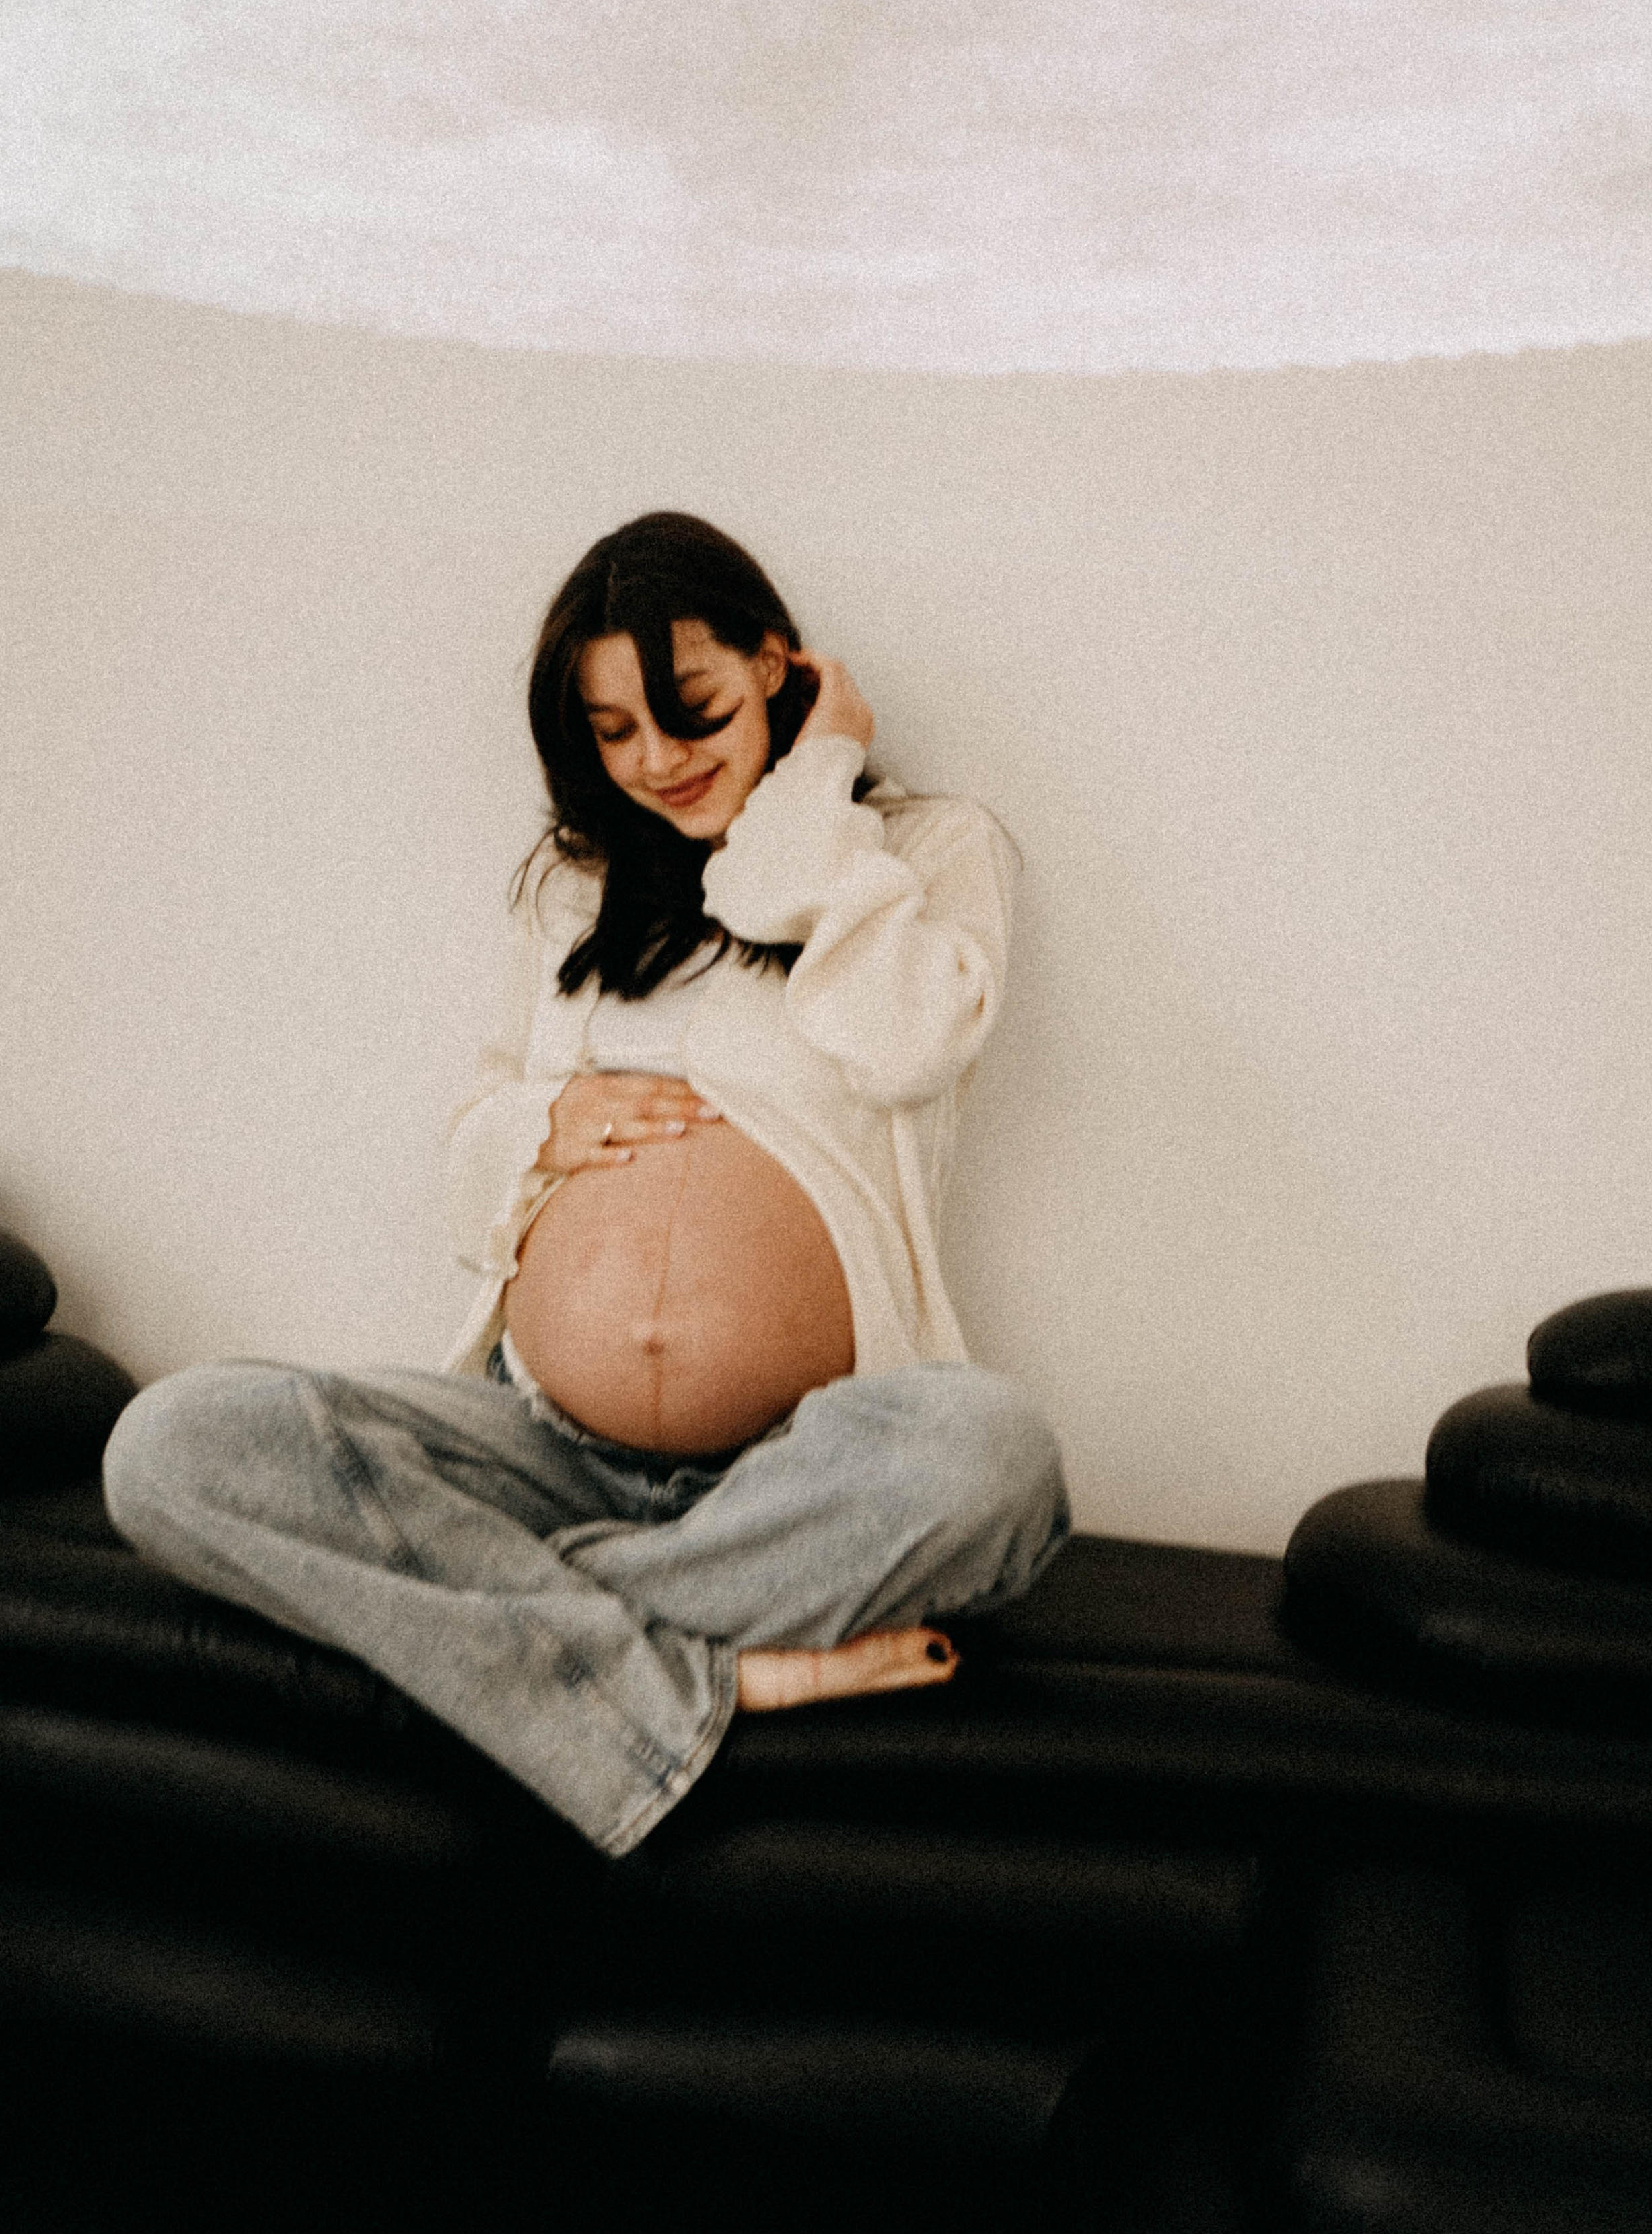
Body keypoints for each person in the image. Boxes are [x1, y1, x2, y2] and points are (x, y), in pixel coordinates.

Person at [102, 511, 1070, 1858]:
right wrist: (541, 1120)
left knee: (995, 1458)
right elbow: (469, 1170)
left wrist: (816, 785)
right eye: (616, 733)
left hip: (799, 1467)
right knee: (174, 1444)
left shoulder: (919, 854)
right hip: (542, 1450)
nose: (660, 761)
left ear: (783, 673)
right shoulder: (573, 891)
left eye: (695, 710)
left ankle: (499, 1634)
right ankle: (711, 1678)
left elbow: (905, 1043)